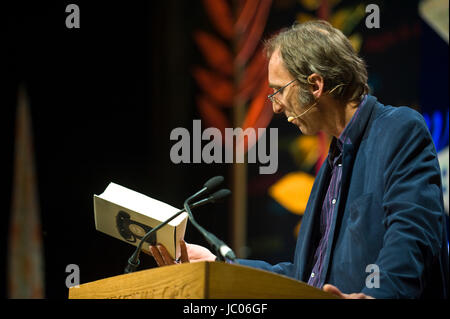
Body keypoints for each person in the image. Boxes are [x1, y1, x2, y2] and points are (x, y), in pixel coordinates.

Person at [150, 20, 449, 299]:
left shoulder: (399, 130)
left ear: (315, 85)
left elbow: (413, 236)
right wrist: (216, 265)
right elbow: (304, 278)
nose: (276, 107)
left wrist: (376, 295)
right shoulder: (331, 164)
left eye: (278, 91)